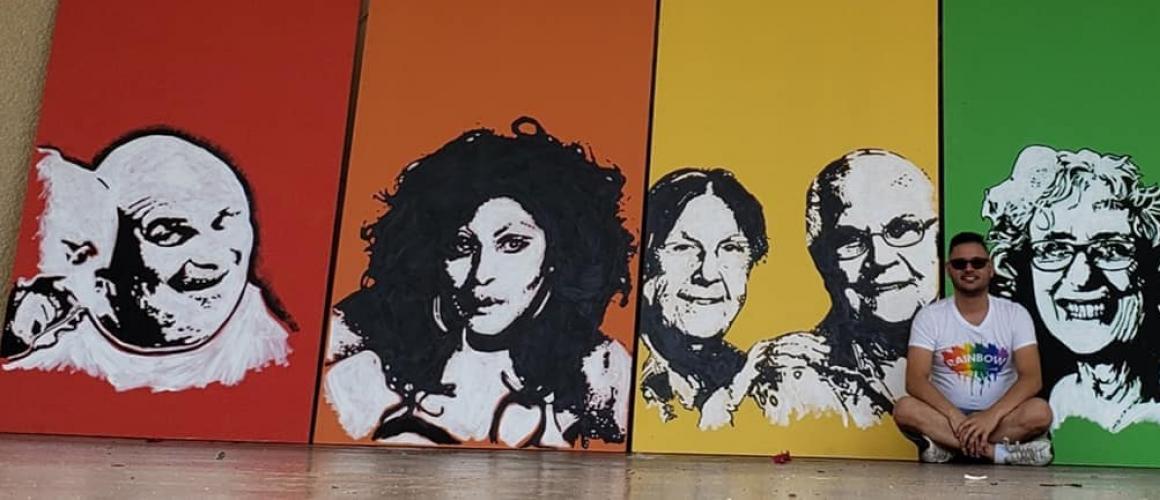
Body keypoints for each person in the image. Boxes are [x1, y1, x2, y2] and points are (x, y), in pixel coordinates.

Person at [322, 117, 633, 449]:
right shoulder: (359, 355)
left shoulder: (600, 375)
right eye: (462, 246)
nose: (481, 274)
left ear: (559, 255)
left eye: (512, 243)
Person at [3, 132, 293, 392]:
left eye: (225, 222)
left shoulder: (291, 350)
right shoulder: (41, 349)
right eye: (169, 233)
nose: (212, 259)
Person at [980, 145, 1160, 439]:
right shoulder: (1060, 400)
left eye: (1112, 249)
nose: (1081, 278)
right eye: (1054, 249)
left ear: (1154, 267)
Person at [721, 149, 940, 429]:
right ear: (823, 261)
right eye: (850, 240)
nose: (881, 258)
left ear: (937, 236)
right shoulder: (796, 375)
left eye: (902, 230)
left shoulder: (982, 346)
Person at [893, 232, 1053, 465]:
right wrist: (954, 415)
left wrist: (990, 416)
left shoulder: (1015, 314)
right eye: (960, 264)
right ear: (949, 270)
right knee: (904, 409)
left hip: (1001, 418)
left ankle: (947, 446)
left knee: (1040, 412)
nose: (969, 269)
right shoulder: (930, 316)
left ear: (990, 268)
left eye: (977, 262)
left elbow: (1032, 378)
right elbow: (915, 380)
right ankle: (996, 453)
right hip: (947, 418)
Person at [635, 168, 768, 429]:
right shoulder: (612, 369)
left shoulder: (754, 378)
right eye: (683, 248)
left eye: (730, 248)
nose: (708, 273)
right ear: (646, 261)